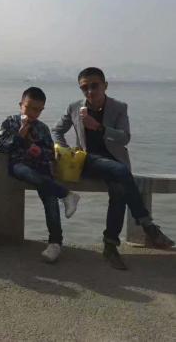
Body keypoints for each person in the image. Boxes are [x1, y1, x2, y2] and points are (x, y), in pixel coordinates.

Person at [53, 67, 174, 269]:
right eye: (84, 88)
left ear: (105, 86)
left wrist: (99, 127)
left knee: (119, 190)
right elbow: (56, 130)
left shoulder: (119, 107)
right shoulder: (74, 107)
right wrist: (64, 150)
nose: (90, 91)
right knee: (122, 172)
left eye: (94, 86)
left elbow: (125, 137)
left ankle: (110, 245)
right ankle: (147, 224)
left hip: (113, 162)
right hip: (87, 160)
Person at [0, 87, 80, 263]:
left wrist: (39, 152)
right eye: (29, 108)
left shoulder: (42, 128)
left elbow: (50, 154)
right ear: (21, 104)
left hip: (41, 167)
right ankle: (66, 194)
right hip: (19, 165)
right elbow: (1, 145)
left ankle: (55, 243)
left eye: (38, 110)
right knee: (27, 172)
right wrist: (19, 136)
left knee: (50, 198)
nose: (33, 113)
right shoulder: (10, 122)